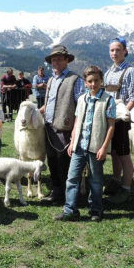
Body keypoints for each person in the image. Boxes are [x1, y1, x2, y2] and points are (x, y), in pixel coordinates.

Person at [55, 66, 116, 222]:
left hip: (96, 147)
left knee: (95, 180)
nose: (93, 84)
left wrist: (104, 147)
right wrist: (72, 141)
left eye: (96, 80)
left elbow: (111, 125)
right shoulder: (82, 99)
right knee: (72, 178)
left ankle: (95, 209)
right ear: (85, 82)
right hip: (78, 146)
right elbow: (77, 121)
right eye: (90, 81)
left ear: (101, 81)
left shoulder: (108, 100)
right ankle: (70, 210)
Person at [39, 45, 85, 205]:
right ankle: (57, 191)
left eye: (59, 59)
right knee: (52, 161)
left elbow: (81, 106)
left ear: (67, 60)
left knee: (64, 163)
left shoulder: (75, 80)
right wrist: (38, 111)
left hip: (65, 128)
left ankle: (70, 195)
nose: (56, 62)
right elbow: (50, 102)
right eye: (53, 59)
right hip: (49, 127)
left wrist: (75, 129)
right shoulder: (51, 79)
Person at [103, 37, 134, 204]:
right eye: (112, 50)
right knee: (114, 153)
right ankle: (116, 180)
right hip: (108, 119)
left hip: (121, 119)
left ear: (125, 51)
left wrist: (122, 113)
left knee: (124, 154)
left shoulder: (130, 71)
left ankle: (126, 188)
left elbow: (133, 98)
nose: (115, 53)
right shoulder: (109, 72)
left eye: (118, 50)